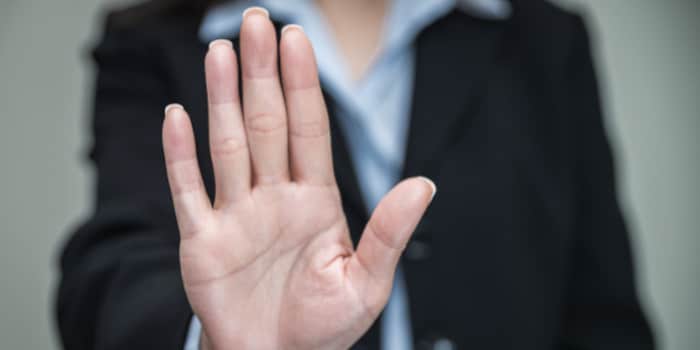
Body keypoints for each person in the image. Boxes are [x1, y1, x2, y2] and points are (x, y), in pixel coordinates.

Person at [55, 0, 656, 349]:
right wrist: (211, 339)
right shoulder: (155, 40)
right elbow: (114, 267)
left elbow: (602, 311)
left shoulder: (543, 40)